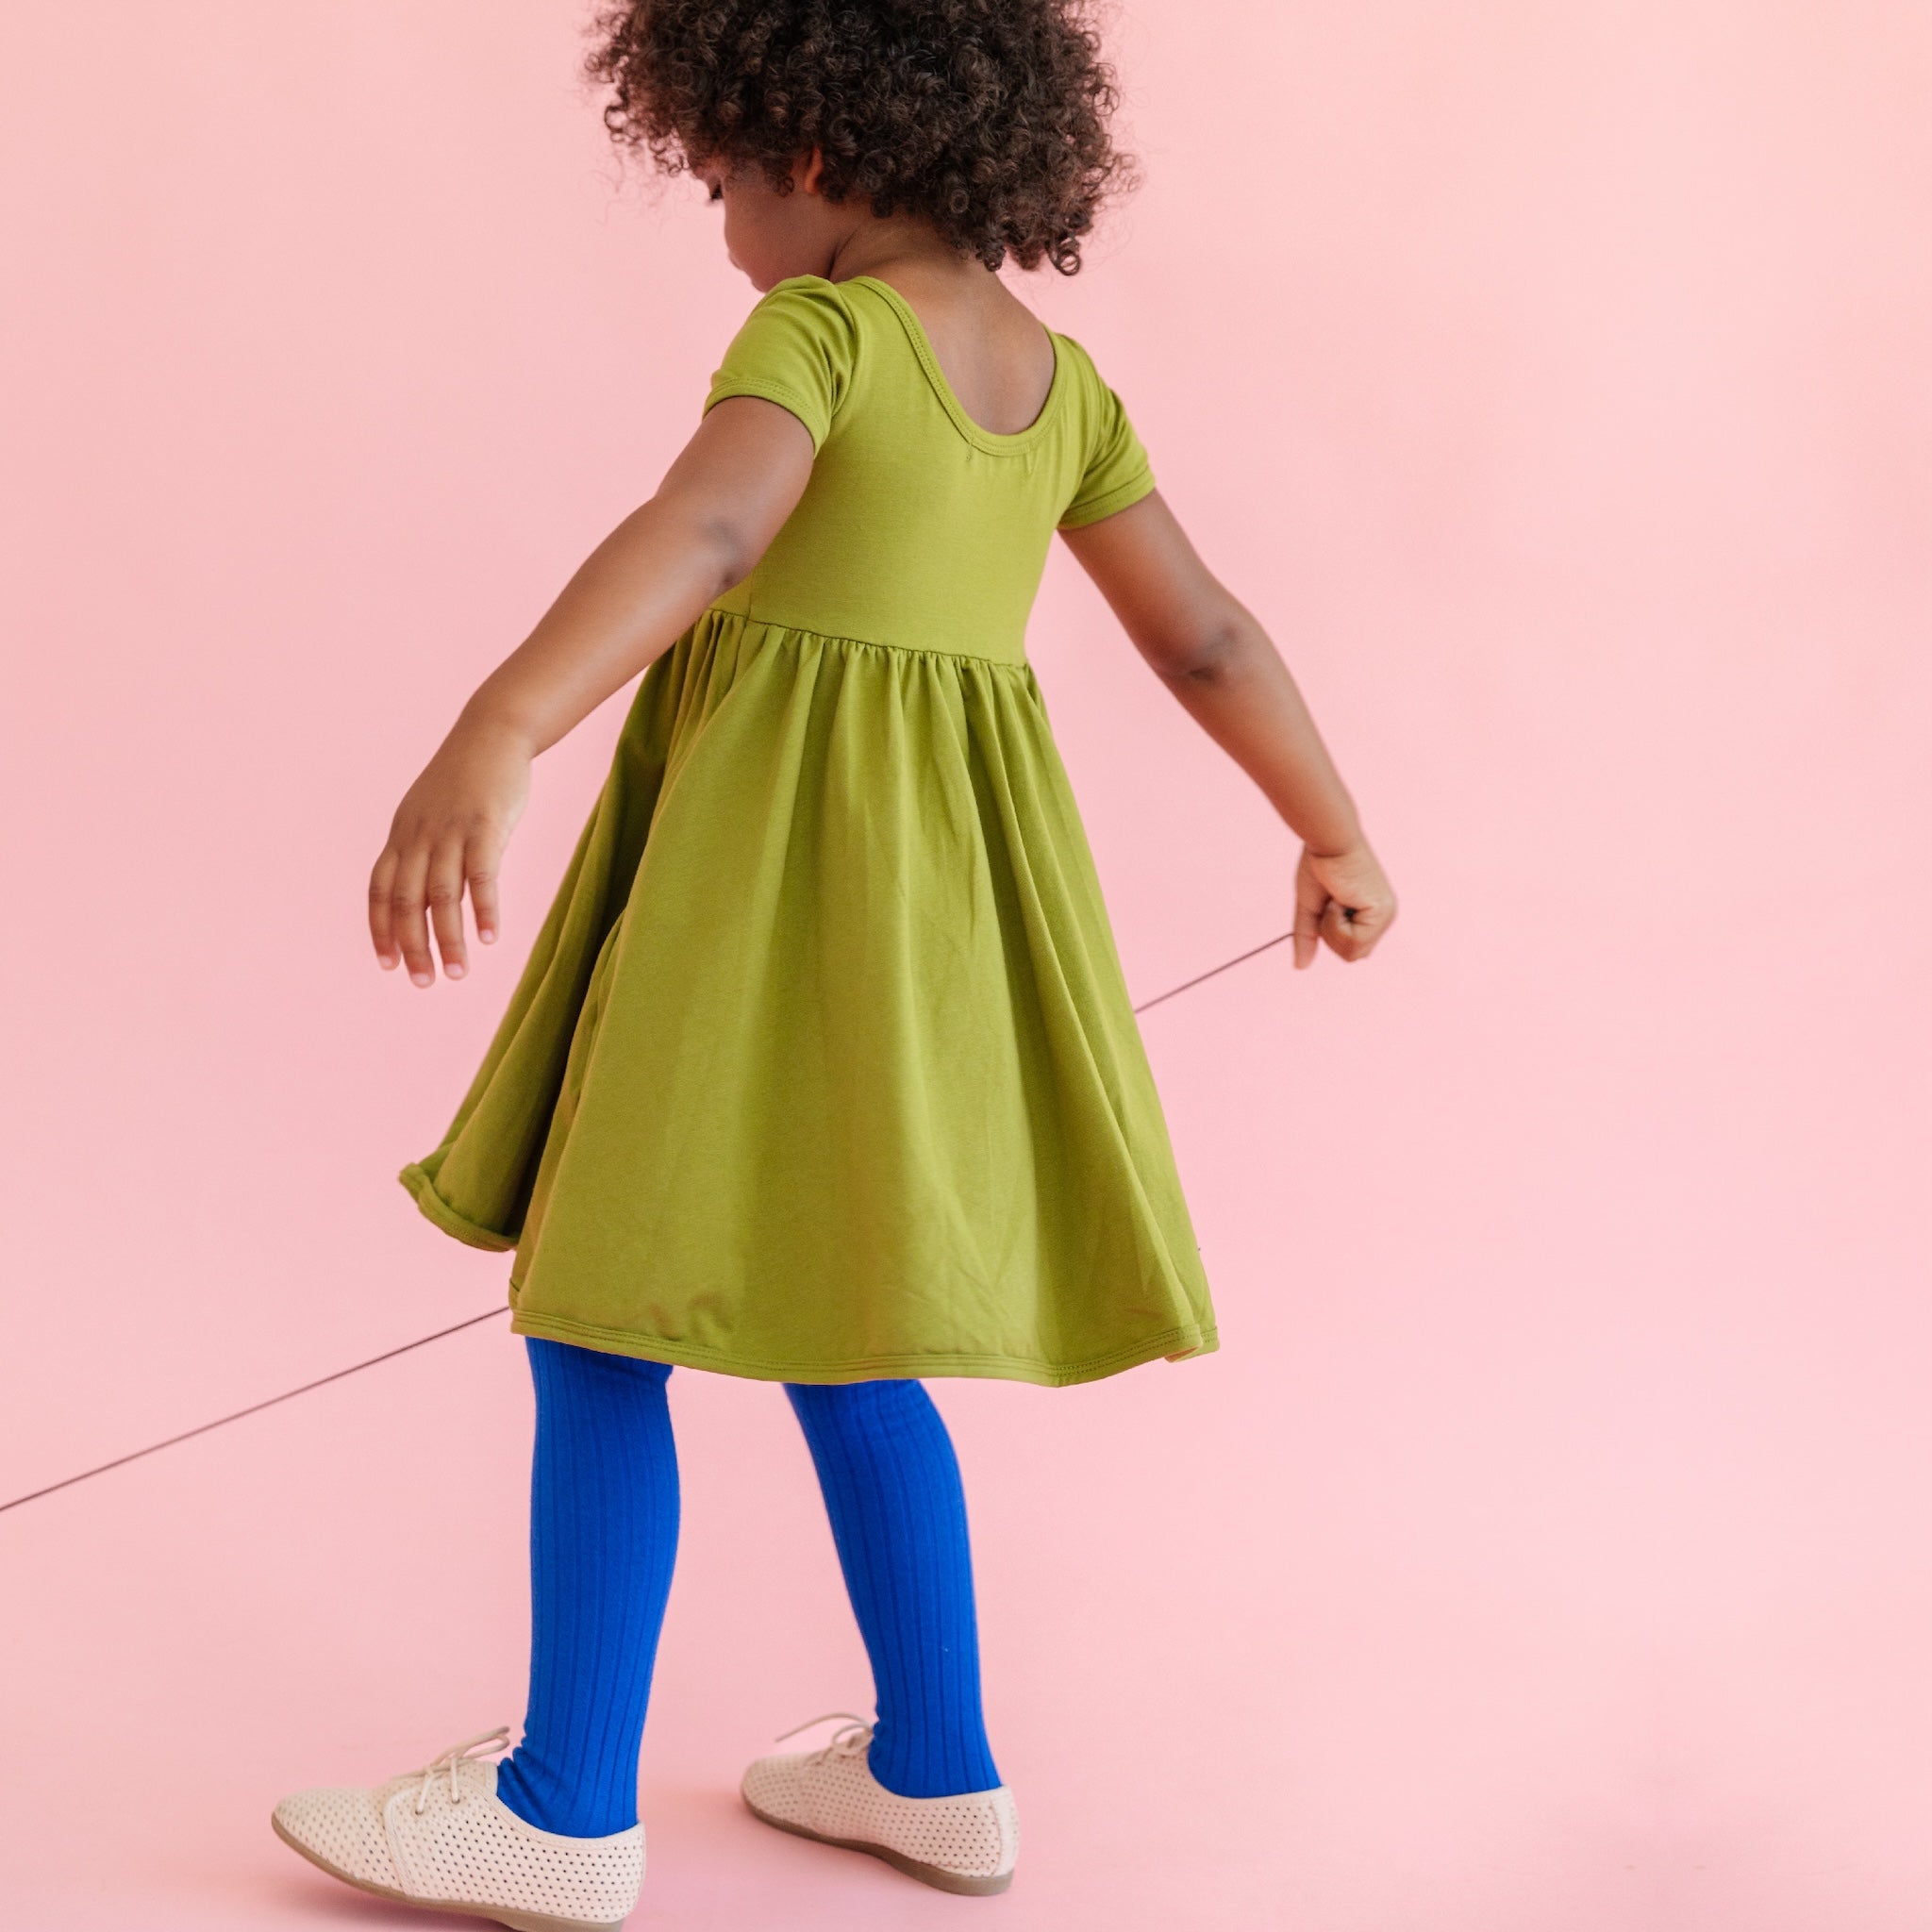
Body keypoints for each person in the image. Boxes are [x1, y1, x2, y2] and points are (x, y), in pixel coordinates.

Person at [270, 2, 1395, 1925]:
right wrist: (1333, 821)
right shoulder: (1057, 379)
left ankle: (558, 1801)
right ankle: (938, 1770)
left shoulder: (820, 333)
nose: (710, 200)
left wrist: (503, 721)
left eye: (711, 167)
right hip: (937, 923)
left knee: (606, 1302)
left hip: (764, 895)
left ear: (803, 150)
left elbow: (708, 524)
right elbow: (1199, 630)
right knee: (850, 1307)